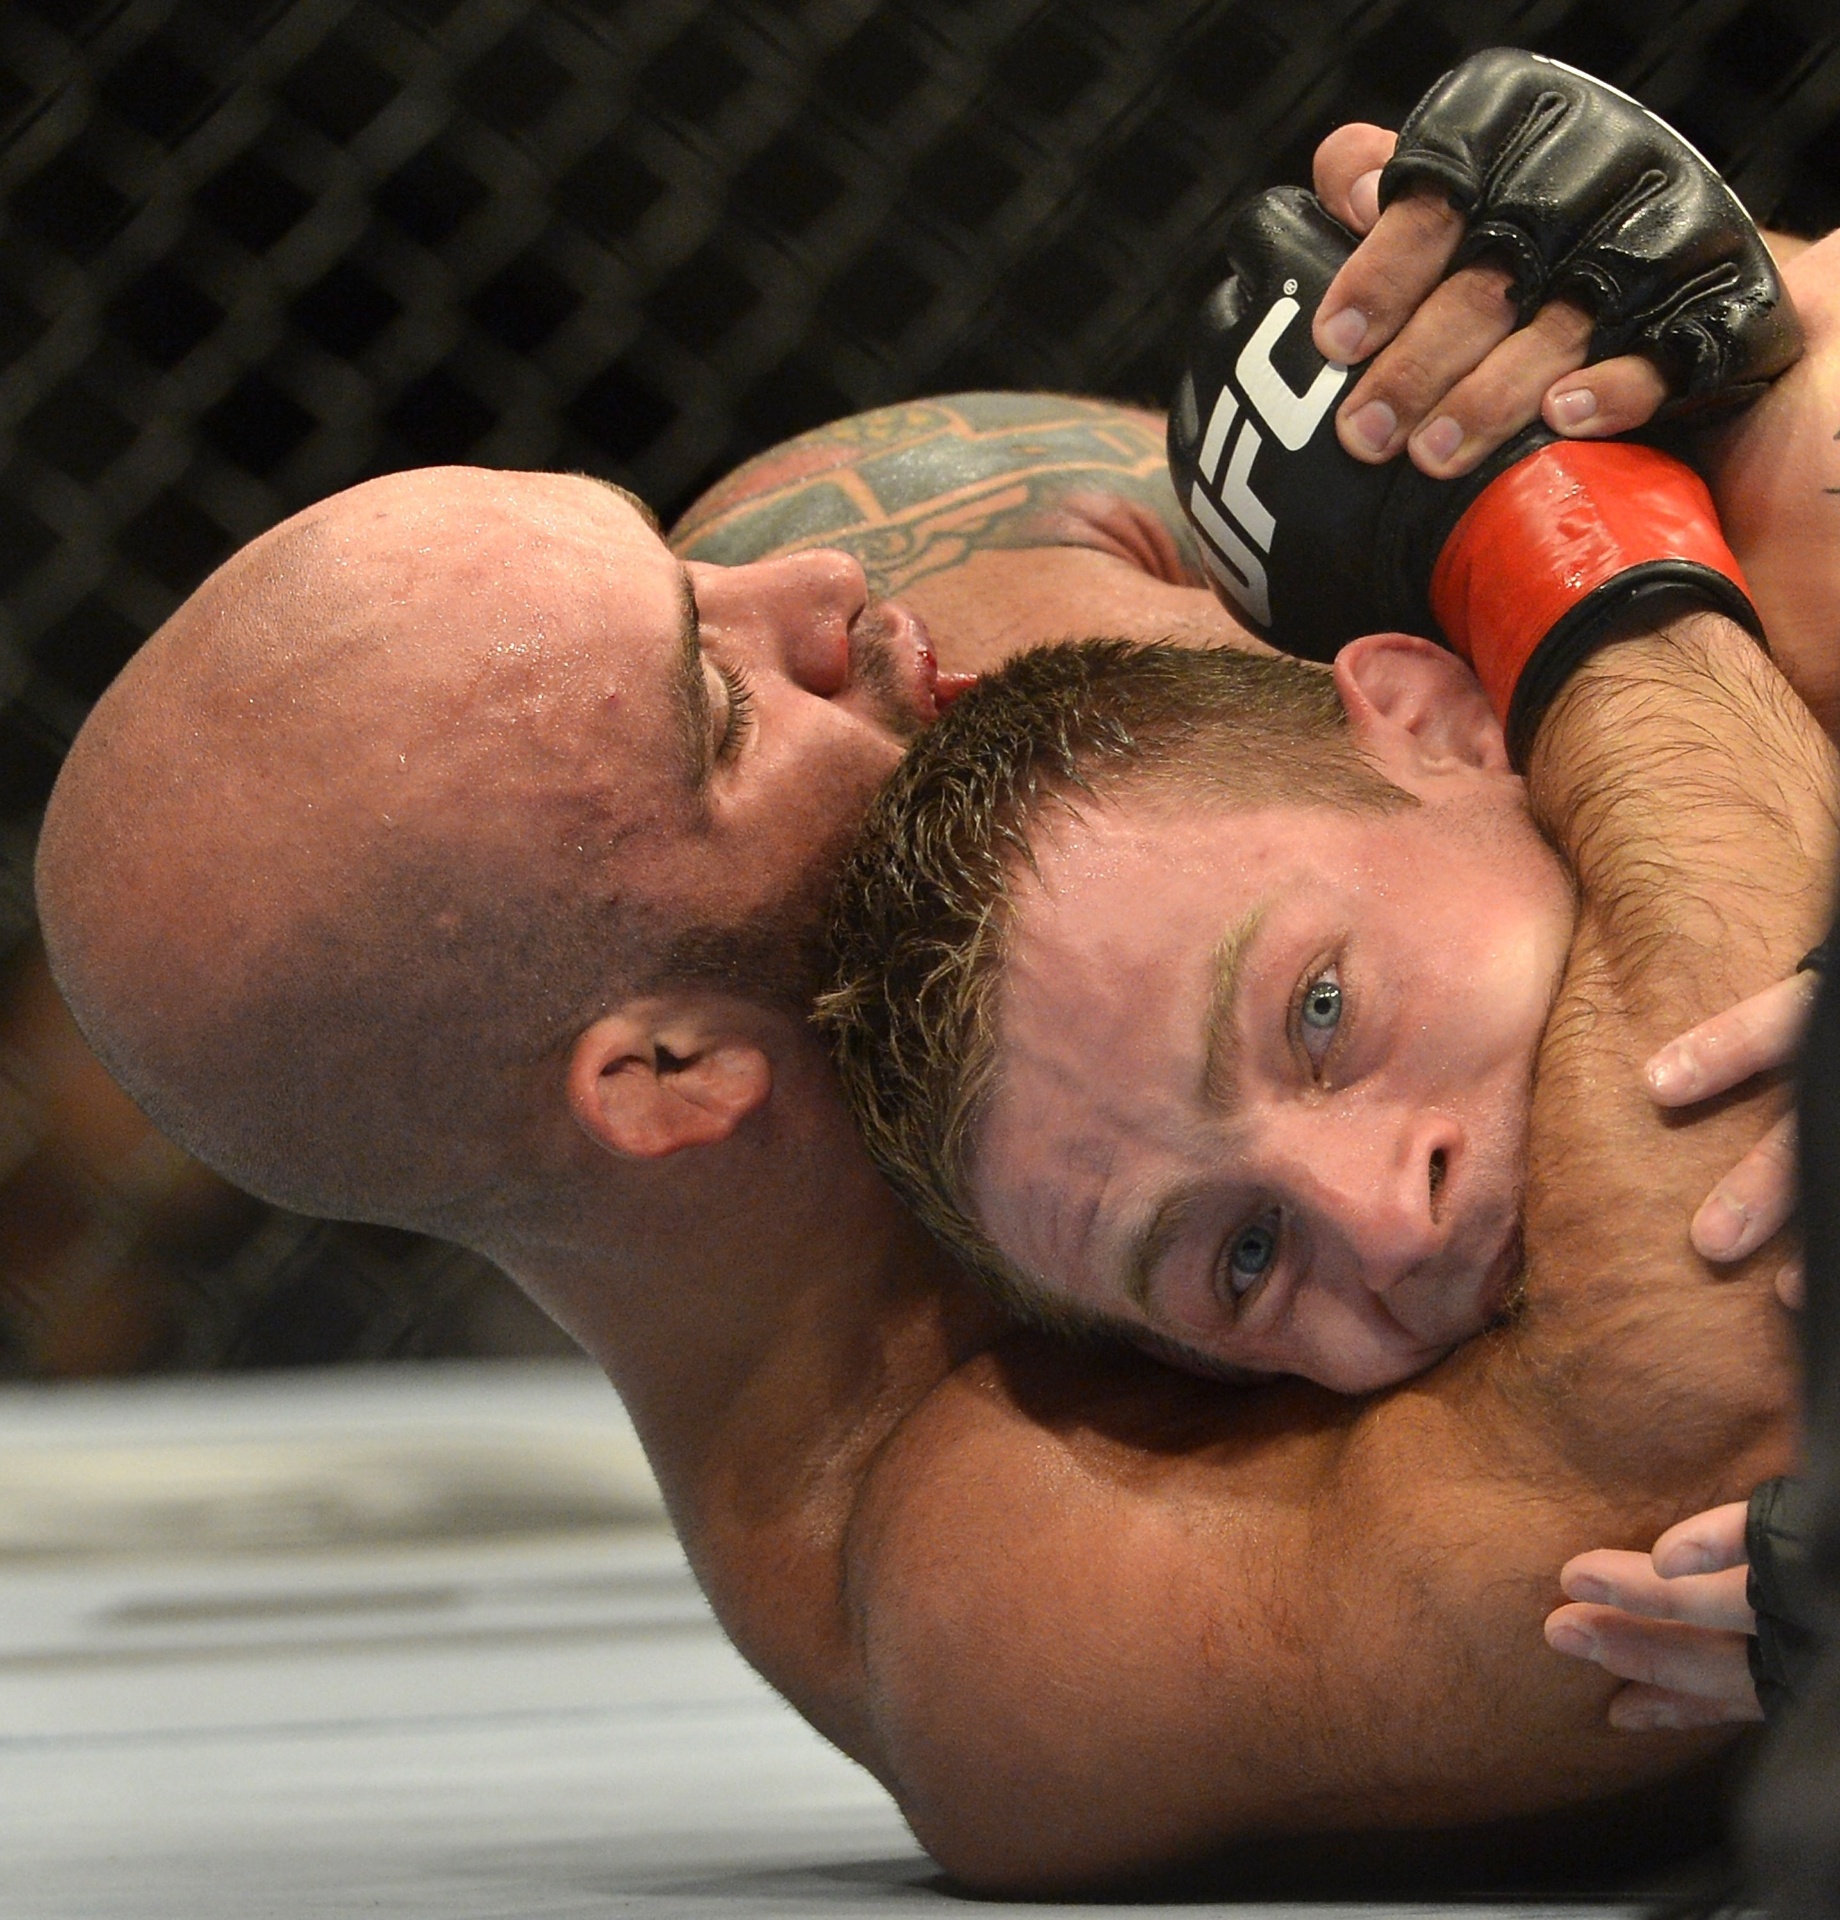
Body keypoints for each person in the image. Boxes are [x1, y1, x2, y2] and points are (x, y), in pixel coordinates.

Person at [26, 58, 1839, 1891]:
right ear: (663, 1074)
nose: (810, 583)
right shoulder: (995, 1585)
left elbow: (1575, 397)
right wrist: (1574, 552)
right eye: (718, 702)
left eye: (664, 550)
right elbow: (1724, 1395)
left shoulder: (913, 596)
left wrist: (1575, 311)